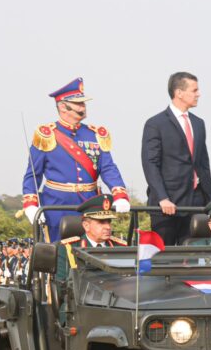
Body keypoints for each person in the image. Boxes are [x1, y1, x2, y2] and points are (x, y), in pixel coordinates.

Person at [22, 78, 130, 242]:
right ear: (63, 107)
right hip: (57, 203)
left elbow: (108, 168)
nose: (83, 107)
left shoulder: (94, 134)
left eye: (83, 103)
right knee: (57, 250)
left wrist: (120, 194)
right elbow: (33, 174)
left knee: (89, 248)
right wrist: (30, 205)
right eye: (78, 104)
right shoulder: (47, 134)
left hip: (90, 202)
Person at [141, 72, 211, 245]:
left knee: (191, 260)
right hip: (166, 205)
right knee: (165, 260)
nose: (198, 94)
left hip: (195, 204)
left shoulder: (199, 123)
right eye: (194, 90)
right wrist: (162, 198)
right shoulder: (156, 123)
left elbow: (203, 163)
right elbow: (150, 164)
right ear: (179, 93)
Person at [56, 195, 127, 282]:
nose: (108, 227)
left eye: (109, 222)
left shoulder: (120, 247)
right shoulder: (67, 248)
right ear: (86, 226)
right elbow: (62, 286)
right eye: (101, 222)